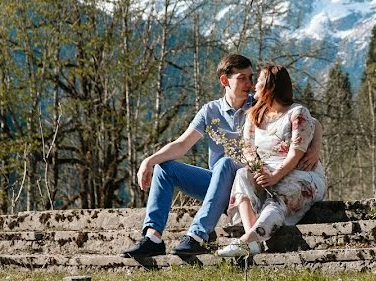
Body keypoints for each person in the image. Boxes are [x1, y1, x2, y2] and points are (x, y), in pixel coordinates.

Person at [122, 54, 321, 258]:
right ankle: (153, 238)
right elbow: (182, 144)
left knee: (226, 163)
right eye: (242, 78)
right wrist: (149, 161)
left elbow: (306, 120)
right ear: (225, 81)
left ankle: (197, 235)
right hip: (218, 184)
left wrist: (314, 147)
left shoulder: (259, 103)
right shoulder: (210, 111)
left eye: (251, 77)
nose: (249, 84)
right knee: (165, 168)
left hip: (251, 184)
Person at [216, 64, 326, 258]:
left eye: (258, 81)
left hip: (299, 174)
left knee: (279, 195)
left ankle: (249, 240)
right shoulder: (254, 115)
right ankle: (253, 239)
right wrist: (257, 170)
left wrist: (275, 176)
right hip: (267, 173)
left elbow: (295, 154)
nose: (253, 85)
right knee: (242, 174)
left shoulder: (297, 113)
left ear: (270, 85)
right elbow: (248, 149)